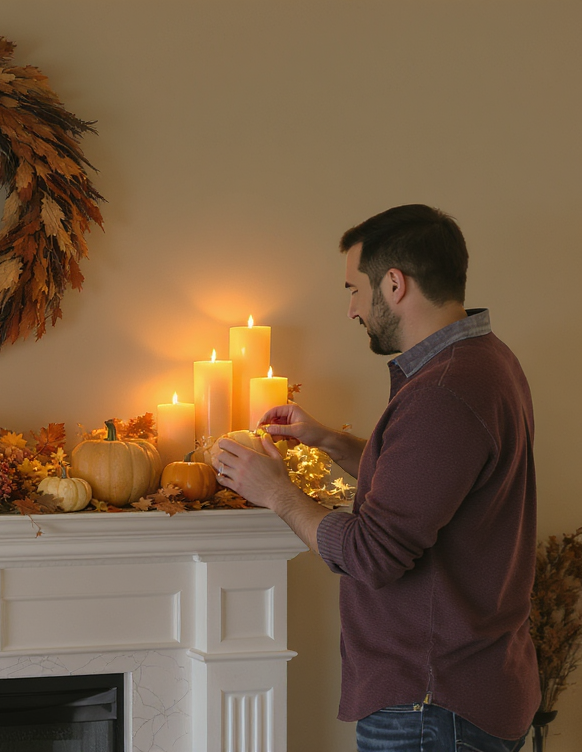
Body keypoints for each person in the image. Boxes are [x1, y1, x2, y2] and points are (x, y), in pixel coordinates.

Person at [213, 204, 537, 752]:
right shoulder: (484, 359)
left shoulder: (444, 391)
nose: (351, 309)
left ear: (393, 284)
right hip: (455, 694)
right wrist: (332, 442)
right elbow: (434, 490)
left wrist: (277, 494)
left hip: (431, 705)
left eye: (354, 290)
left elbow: (373, 554)